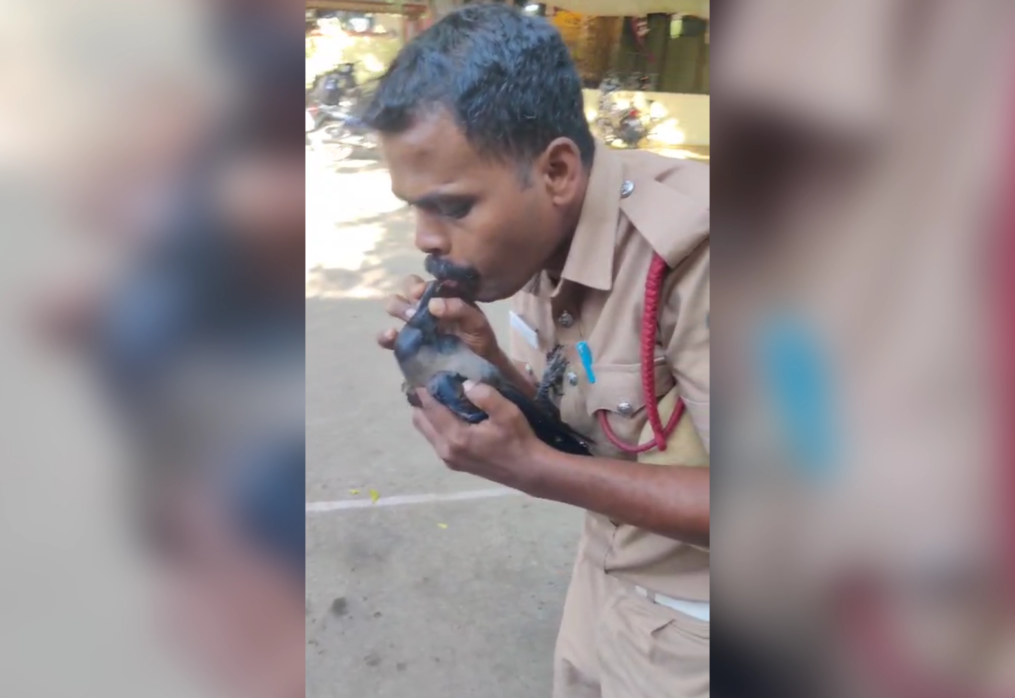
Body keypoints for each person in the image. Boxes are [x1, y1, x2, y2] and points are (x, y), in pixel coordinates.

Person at [368, 5, 709, 697]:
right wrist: (487, 362)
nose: (425, 239)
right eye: (413, 206)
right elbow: (585, 426)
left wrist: (533, 470)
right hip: (603, 591)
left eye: (453, 207)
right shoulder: (535, 248)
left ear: (555, 171)